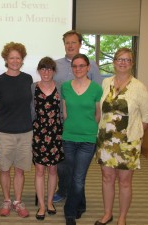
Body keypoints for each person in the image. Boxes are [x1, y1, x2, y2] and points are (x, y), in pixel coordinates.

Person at [94, 48, 148, 225]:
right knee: (107, 178)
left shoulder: (139, 87)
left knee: (124, 181)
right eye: (119, 59)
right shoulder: (106, 83)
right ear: (114, 62)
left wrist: (135, 136)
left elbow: (147, 116)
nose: (122, 62)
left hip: (128, 143)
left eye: (127, 60)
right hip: (105, 140)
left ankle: (122, 218)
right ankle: (107, 214)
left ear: (132, 64)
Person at [53, 30, 103, 203]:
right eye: (67, 42)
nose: (70, 45)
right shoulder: (56, 65)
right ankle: (63, 190)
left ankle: (76, 192)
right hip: (58, 120)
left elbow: (98, 94)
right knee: (62, 163)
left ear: (80, 44)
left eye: (73, 42)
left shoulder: (91, 65)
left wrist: (92, 123)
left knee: (79, 166)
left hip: (81, 122)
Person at [0, 42, 33, 218]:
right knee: (5, 169)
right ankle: (7, 200)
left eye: (18, 57)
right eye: (11, 57)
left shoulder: (28, 79)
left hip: (25, 132)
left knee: (20, 170)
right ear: (6, 59)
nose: (15, 60)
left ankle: (18, 201)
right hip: (3, 132)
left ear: (22, 60)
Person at [62, 54, 102, 225]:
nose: (78, 69)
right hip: (69, 137)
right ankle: (81, 204)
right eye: (75, 66)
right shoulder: (65, 87)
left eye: (81, 66)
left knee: (78, 177)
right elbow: (64, 113)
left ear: (88, 67)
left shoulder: (96, 89)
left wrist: (88, 129)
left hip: (87, 139)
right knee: (74, 175)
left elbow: (98, 114)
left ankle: (69, 212)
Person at [31, 57, 64, 220]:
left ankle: (50, 202)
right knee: (39, 170)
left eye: (49, 69)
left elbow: (63, 111)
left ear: (54, 71)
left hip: (56, 133)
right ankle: (42, 206)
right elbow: (30, 111)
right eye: (43, 69)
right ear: (39, 70)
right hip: (38, 133)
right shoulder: (33, 87)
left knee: (52, 170)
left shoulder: (60, 87)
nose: (46, 72)